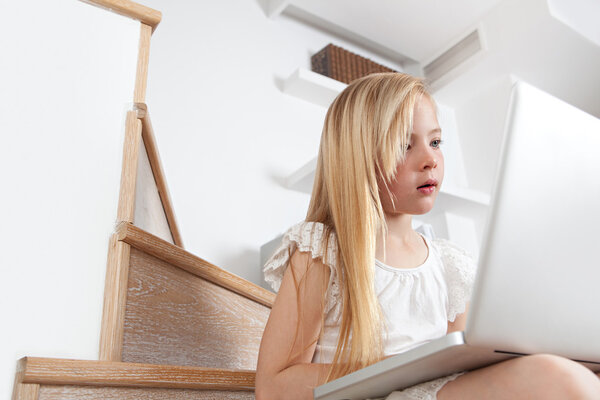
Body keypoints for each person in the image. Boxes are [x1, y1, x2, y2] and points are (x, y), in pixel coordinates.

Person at [255, 72, 600, 400]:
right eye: (405, 145)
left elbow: (465, 369)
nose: (430, 159)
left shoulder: (449, 265)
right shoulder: (322, 252)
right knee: (554, 377)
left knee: (568, 373)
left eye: (435, 142)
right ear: (357, 158)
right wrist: (391, 367)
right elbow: (273, 387)